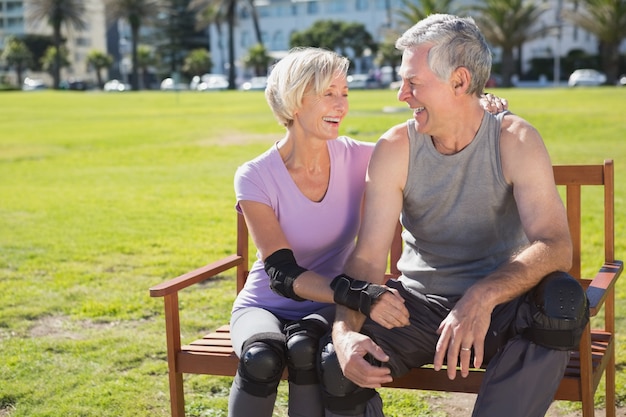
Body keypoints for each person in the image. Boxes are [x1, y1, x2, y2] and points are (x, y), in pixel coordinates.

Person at [318, 14, 589, 417]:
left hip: (502, 307)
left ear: (460, 82)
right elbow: (369, 258)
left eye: (413, 82)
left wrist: (481, 296)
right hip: (417, 308)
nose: (401, 95)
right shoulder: (396, 147)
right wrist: (343, 336)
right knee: (336, 368)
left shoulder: (514, 140)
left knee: (561, 303)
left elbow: (554, 245)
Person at [228, 46, 509, 417]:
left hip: (334, 307)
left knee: (305, 349)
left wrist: (474, 108)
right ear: (295, 101)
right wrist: (361, 294)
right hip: (268, 304)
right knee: (261, 356)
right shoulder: (256, 175)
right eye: (328, 94)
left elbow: (430, 138)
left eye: (344, 93)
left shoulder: (362, 156)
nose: (342, 105)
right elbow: (280, 273)